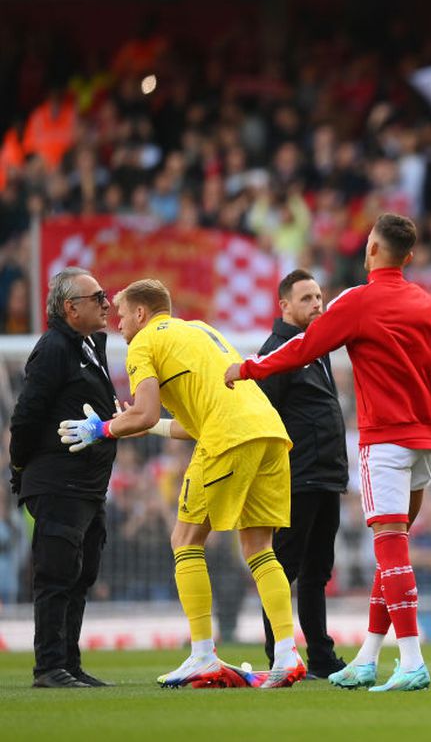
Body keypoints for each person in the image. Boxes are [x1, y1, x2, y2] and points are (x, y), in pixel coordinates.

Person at [227, 214, 431, 693]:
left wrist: (247, 368)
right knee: (397, 551)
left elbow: (301, 348)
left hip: (384, 441)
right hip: (424, 444)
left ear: (371, 248)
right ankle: (369, 657)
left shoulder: (357, 302)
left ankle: (410, 660)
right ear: (409, 257)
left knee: (390, 551)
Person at [59, 278, 302, 688]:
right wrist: (136, 423)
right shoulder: (200, 329)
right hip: (269, 433)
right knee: (260, 548)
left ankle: (203, 654)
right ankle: (286, 653)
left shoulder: (144, 343)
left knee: (185, 540)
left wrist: (103, 429)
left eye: (122, 315)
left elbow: (146, 412)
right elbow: (182, 424)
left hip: (227, 438)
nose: (118, 324)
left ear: (141, 313)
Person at [11, 268, 117, 688]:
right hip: (59, 482)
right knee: (56, 574)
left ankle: (69, 664)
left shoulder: (88, 345)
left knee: (81, 573)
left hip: (88, 485)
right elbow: (26, 415)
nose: (107, 303)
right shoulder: (54, 347)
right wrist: (20, 468)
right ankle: (49, 667)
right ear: (71, 308)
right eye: (98, 296)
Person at [254, 269, 349, 677]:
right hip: (297, 477)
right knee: (285, 568)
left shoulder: (316, 347)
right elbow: (262, 418)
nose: (316, 304)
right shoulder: (277, 352)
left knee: (316, 572)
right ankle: (278, 653)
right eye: (307, 298)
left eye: (319, 297)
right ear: (285, 306)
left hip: (325, 475)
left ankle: (322, 657)